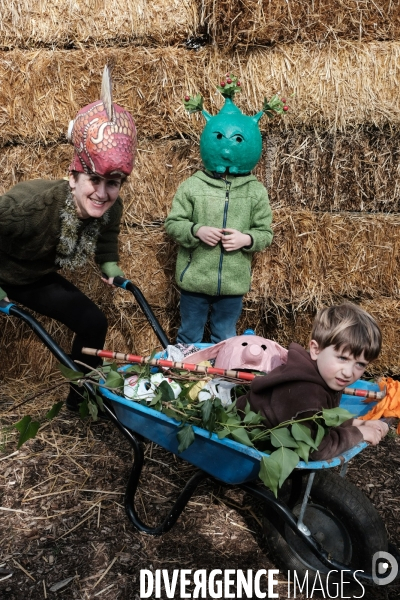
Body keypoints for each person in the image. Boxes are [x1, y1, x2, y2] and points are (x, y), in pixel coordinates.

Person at [0, 66, 137, 412]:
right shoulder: (29, 206)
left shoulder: (109, 207)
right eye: (94, 179)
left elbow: (107, 238)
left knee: (93, 322)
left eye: (114, 182)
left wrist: (108, 263)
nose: (103, 193)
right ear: (73, 176)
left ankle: (80, 403)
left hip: (34, 278)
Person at [165, 75, 282, 344]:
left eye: (238, 140)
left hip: (232, 285)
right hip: (194, 282)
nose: (228, 148)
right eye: (219, 137)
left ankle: (221, 383)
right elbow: (173, 224)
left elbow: (265, 233)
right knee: (189, 335)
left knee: (225, 337)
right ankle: (187, 380)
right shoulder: (192, 186)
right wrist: (196, 231)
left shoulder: (255, 191)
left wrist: (246, 239)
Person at [236, 303, 389, 460]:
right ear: (316, 350)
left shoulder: (326, 376)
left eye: (360, 364)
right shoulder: (305, 392)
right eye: (342, 358)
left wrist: (358, 423)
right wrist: (359, 433)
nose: (348, 372)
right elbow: (315, 449)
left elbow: (323, 418)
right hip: (246, 437)